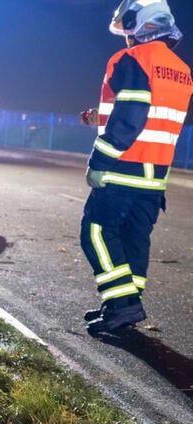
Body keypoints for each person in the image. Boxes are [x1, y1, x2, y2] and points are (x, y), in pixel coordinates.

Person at [79, 0, 191, 334]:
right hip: (154, 177)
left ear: (140, 24)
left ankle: (122, 303)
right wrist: (101, 115)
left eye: (128, 30)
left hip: (122, 169)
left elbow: (131, 116)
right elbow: (150, 113)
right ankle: (126, 304)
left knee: (96, 232)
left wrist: (99, 161)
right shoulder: (181, 70)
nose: (126, 38)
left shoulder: (132, 59)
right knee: (133, 239)